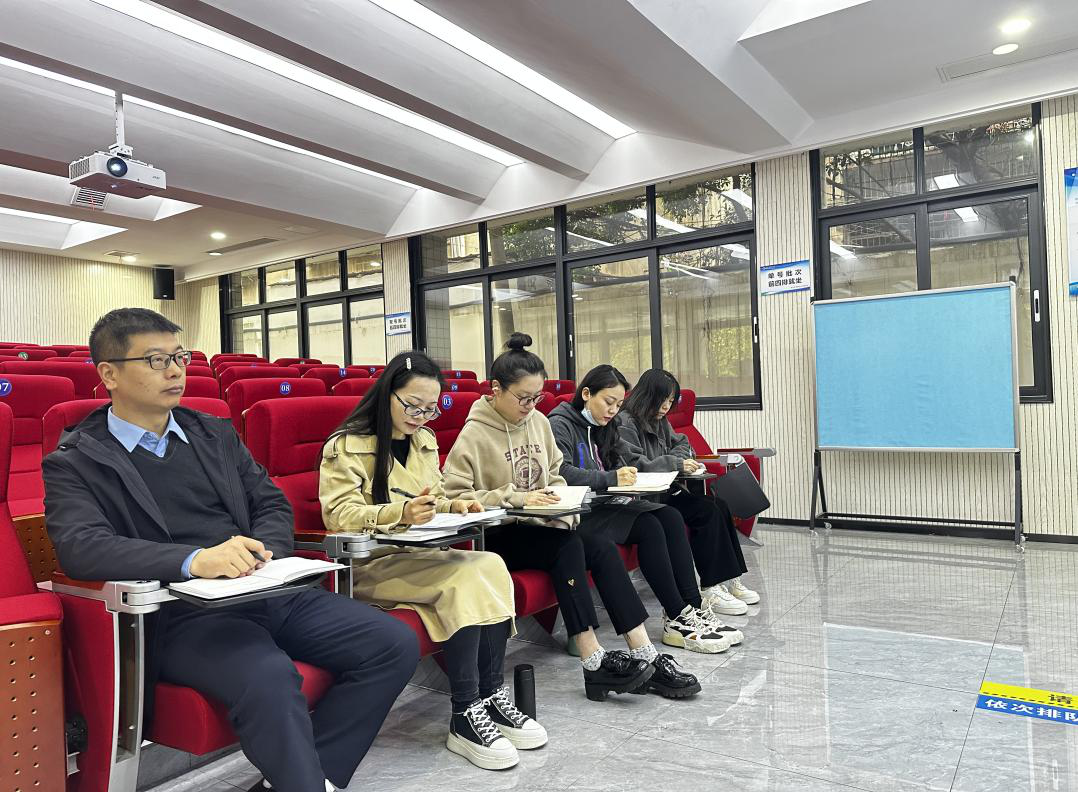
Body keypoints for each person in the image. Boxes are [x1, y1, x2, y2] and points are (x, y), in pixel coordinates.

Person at [43, 308, 418, 792]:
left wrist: (262, 554)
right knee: (269, 677)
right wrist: (194, 561)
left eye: (179, 357)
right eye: (156, 360)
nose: (175, 370)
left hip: (266, 589)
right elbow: (82, 548)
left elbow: (270, 503)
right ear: (109, 374)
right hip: (185, 613)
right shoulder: (76, 460)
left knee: (392, 643)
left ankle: (309, 778)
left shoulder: (213, 432)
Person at [319, 351, 544, 771]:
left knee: (491, 564)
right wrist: (400, 513)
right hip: (373, 564)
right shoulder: (347, 445)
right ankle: (464, 712)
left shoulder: (423, 440)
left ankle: (491, 694)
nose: (421, 417)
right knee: (465, 579)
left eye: (430, 409)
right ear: (388, 395)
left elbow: (434, 498)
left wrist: (456, 506)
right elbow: (339, 515)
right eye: (413, 406)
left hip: (421, 555)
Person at [443, 333, 699, 700]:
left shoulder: (537, 423)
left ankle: (645, 653)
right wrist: (517, 498)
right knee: (568, 548)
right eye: (523, 398)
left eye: (537, 397)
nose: (531, 406)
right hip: (500, 531)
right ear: (496, 389)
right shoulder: (474, 432)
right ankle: (593, 661)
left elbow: (555, 475)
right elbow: (455, 496)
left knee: (601, 549)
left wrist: (558, 502)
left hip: (541, 523)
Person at [547, 365, 743, 655]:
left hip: (607, 503)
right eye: (608, 402)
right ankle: (676, 615)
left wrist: (623, 475)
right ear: (586, 394)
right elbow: (562, 472)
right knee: (651, 526)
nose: (613, 411)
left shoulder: (605, 424)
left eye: (618, 404)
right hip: (580, 511)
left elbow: (621, 460)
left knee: (669, 516)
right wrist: (611, 478)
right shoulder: (559, 424)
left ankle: (691, 608)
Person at [618, 369, 759, 616]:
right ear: (648, 395)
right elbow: (634, 464)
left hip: (667, 487)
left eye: (671, 401)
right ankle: (711, 586)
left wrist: (678, 460)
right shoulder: (625, 422)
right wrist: (675, 463)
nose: (666, 407)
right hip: (648, 495)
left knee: (719, 505)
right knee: (706, 512)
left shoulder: (659, 420)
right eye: (663, 400)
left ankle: (729, 579)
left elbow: (682, 442)